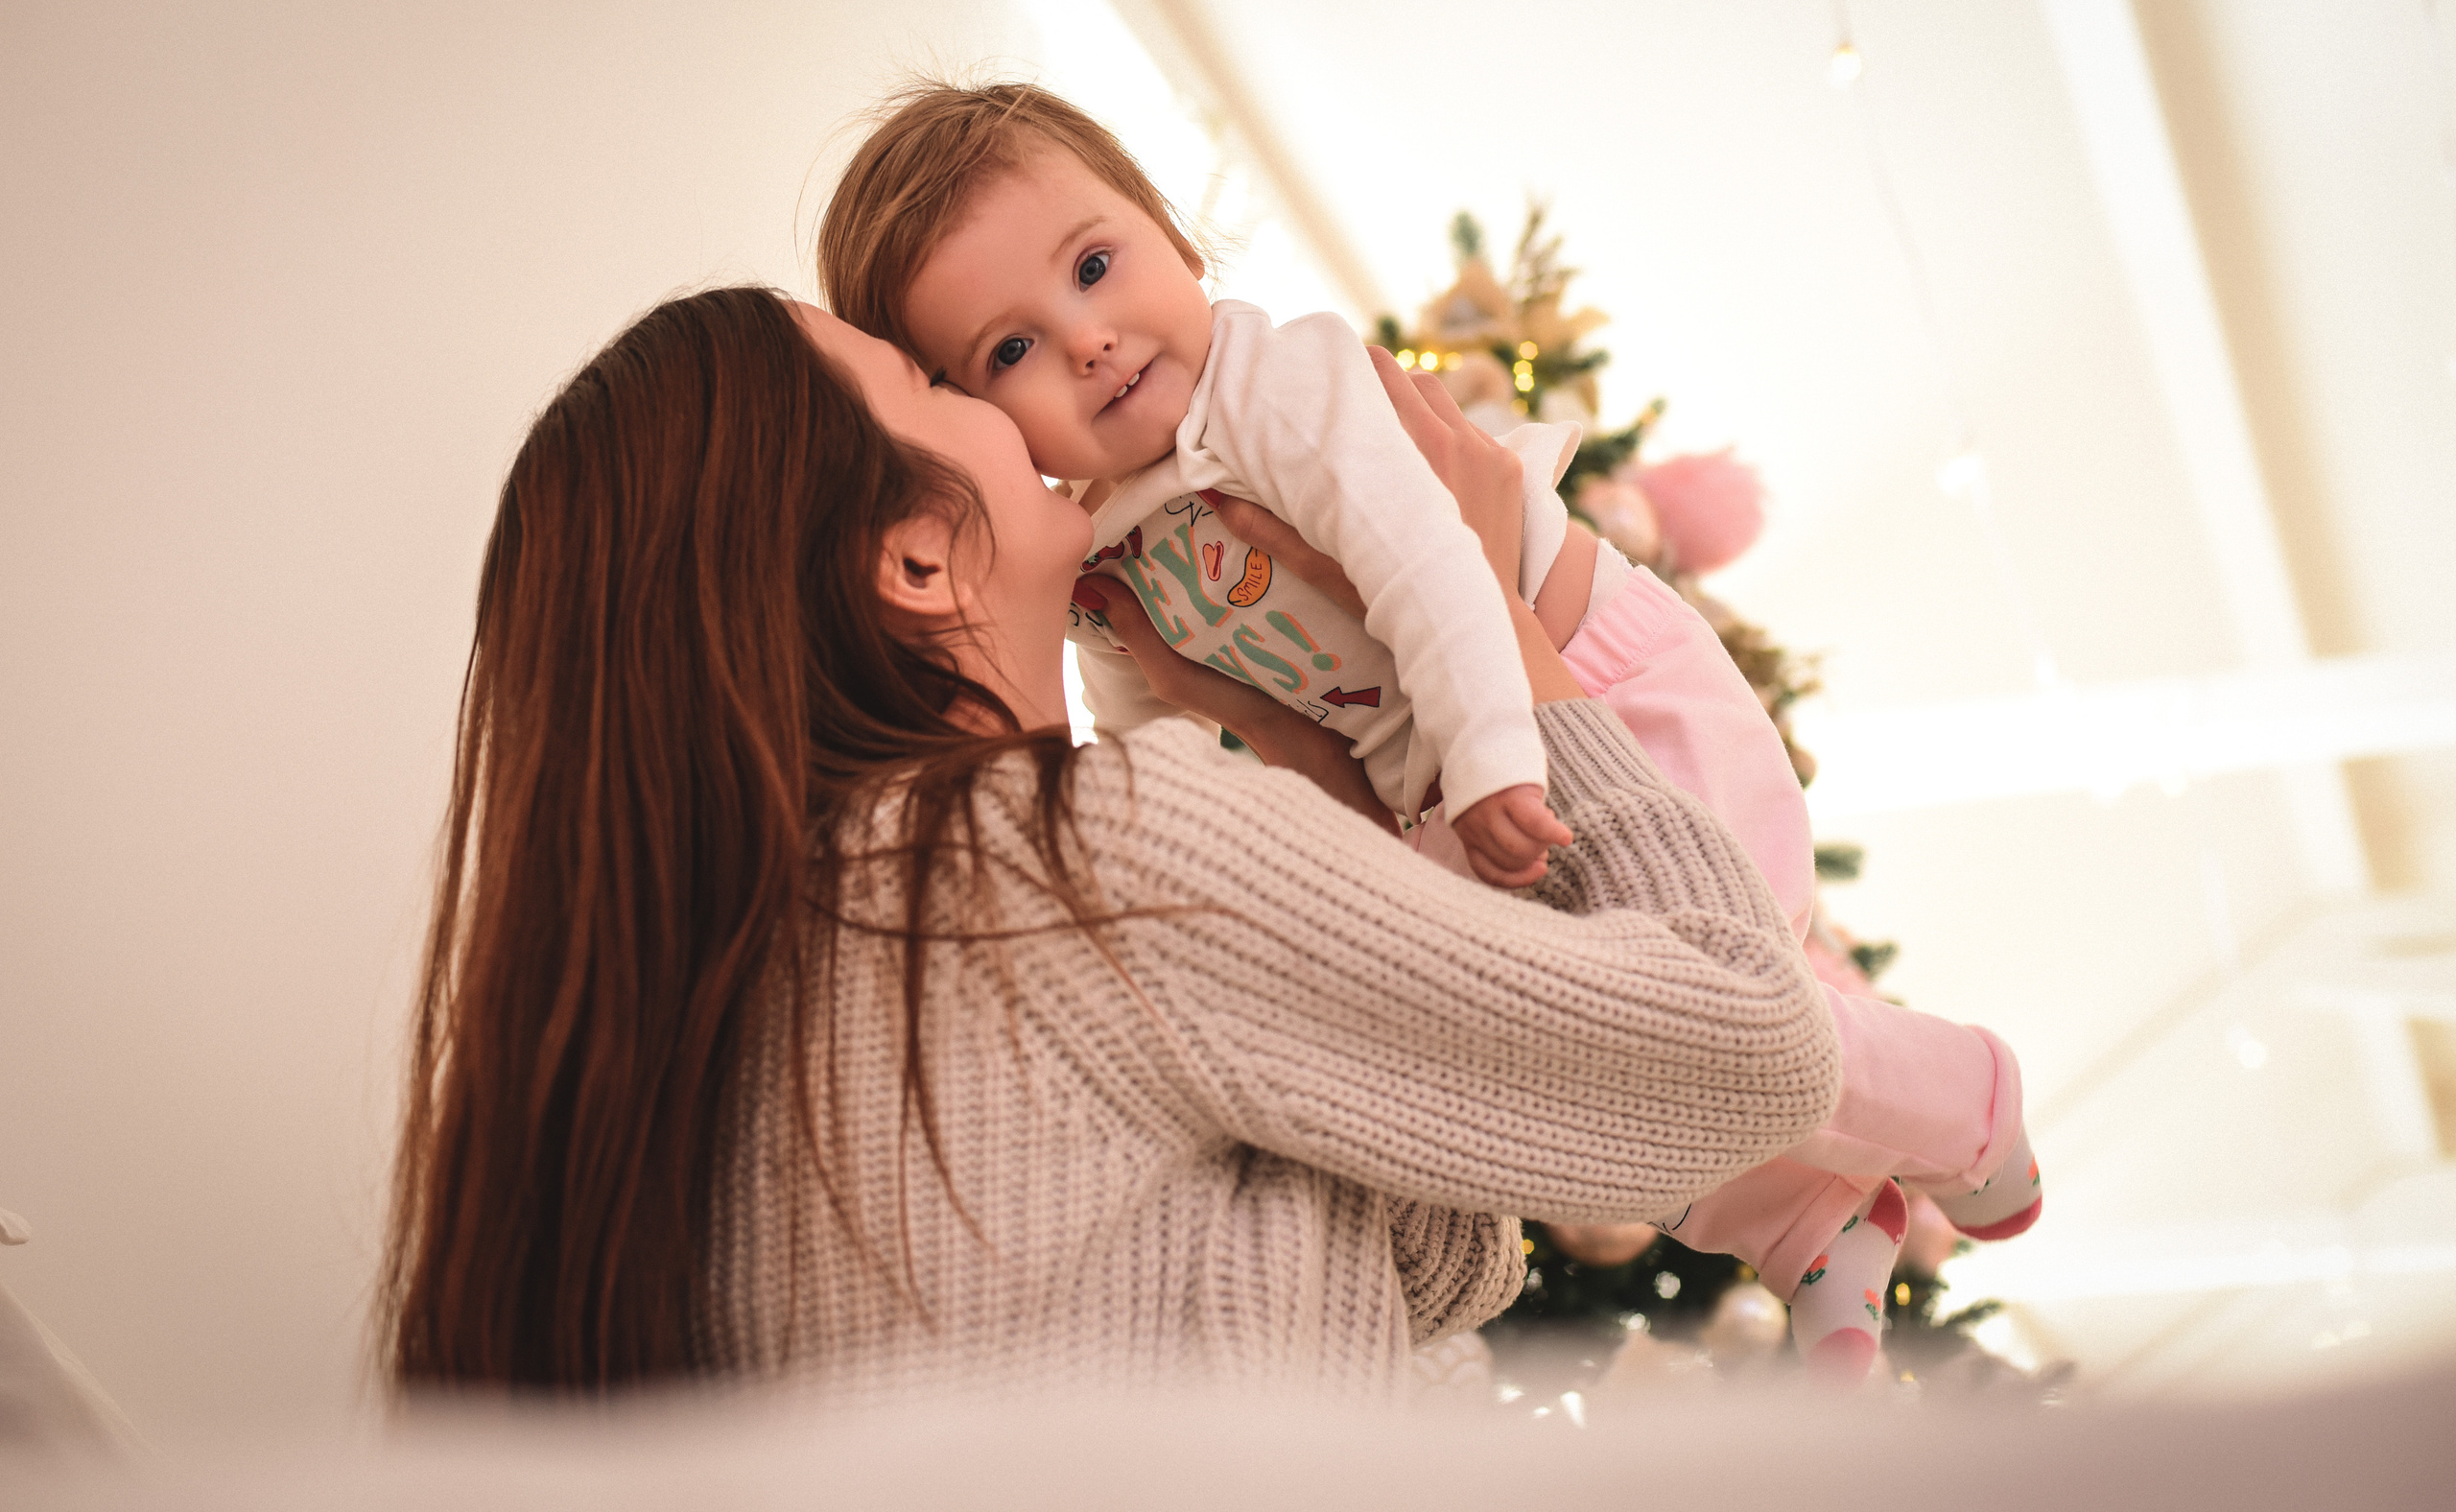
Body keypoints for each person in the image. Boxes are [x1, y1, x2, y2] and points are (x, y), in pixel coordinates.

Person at [380, 286, 1846, 1399]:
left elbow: (1427, 1262)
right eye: (931, 384)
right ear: (911, 554)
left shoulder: (719, 1015)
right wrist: (1492, 611)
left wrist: (1316, 767)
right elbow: (1749, 1043)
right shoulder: (1048, 858)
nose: (1016, 407)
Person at [815, 82, 2042, 1378]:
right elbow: (1145, 744)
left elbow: (1429, 566)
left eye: (1096, 266)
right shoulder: (1106, 545)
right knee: (1578, 1059)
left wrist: (1494, 755)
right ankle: (1814, 1225)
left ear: (1172, 236)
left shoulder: (1275, 389)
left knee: (1715, 989)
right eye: (1008, 352)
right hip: (1436, 783)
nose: (1089, 342)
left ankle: (1967, 1095)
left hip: (1581, 686)